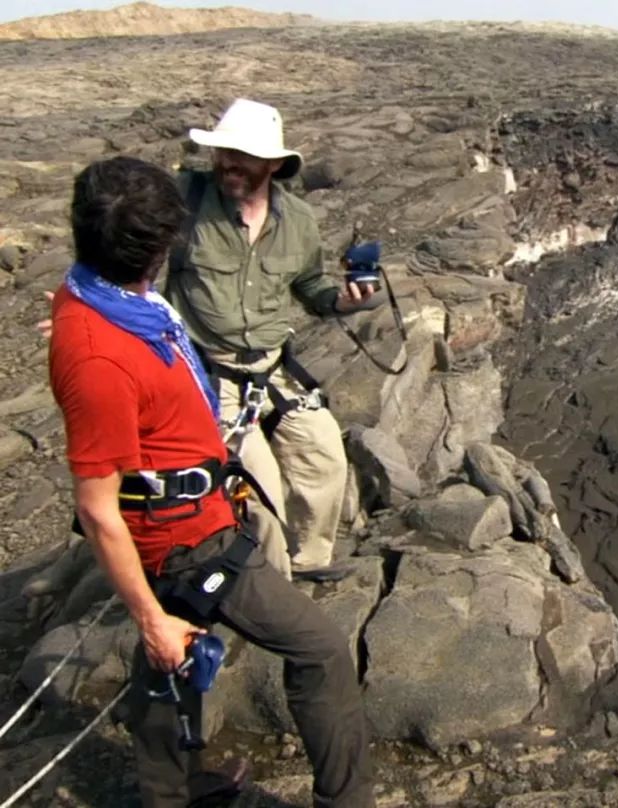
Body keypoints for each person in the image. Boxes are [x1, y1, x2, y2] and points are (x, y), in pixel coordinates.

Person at [49, 156, 374, 807]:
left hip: (194, 515)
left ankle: (169, 791)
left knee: (168, 667)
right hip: (184, 543)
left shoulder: (109, 301)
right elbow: (99, 509)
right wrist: (148, 618)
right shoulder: (101, 354)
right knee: (320, 650)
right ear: (162, 247)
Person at [164, 97, 379, 579]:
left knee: (324, 458)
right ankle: (268, 584)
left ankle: (308, 562)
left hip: (272, 367)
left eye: (243, 156)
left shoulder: (298, 220)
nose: (229, 164)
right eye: (224, 153)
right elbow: (121, 240)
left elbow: (309, 286)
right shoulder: (185, 201)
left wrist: (343, 301)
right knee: (258, 487)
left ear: (275, 164)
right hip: (208, 370)